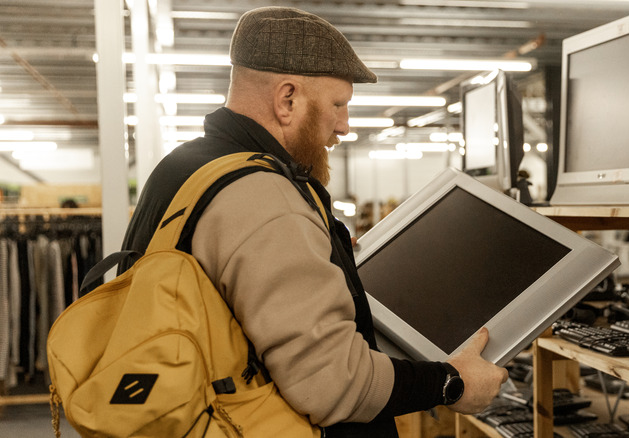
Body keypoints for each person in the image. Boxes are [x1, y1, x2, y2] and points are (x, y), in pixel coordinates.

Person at [120, 6, 507, 437]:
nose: (344, 125)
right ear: (287, 99)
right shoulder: (263, 195)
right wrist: (451, 383)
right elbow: (331, 383)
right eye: (338, 105)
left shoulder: (183, 166)